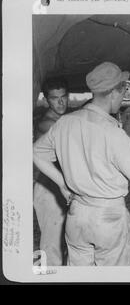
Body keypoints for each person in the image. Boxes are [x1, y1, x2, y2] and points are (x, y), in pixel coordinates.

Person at [33, 62, 130, 266]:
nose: (123, 97)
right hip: (108, 217)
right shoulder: (112, 132)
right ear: (114, 93)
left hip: (77, 214)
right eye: (122, 92)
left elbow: (36, 153)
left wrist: (62, 183)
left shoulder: (66, 122)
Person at [33, 77, 69, 266]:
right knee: (50, 248)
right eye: (55, 98)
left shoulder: (64, 119)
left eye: (64, 96)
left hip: (60, 184)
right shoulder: (47, 124)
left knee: (65, 241)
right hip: (48, 188)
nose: (61, 102)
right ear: (47, 100)